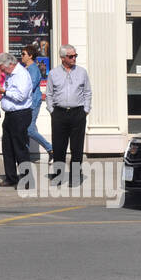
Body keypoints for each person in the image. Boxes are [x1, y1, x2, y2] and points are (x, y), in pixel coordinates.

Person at [44, 44, 92, 186]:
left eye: (75, 55)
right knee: (59, 146)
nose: (74, 58)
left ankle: (75, 177)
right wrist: (52, 110)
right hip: (59, 113)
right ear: (62, 58)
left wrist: (86, 110)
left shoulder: (82, 72)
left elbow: (87, 92)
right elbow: (49, 94)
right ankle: (58, 175)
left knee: (77, 147)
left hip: (78, 112)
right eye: (71, 56)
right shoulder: (53, 73)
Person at [0, 52, 33, 185]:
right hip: (10, 115)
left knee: (20, 148)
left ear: (10, 64)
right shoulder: (9, 75)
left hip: (20, 114)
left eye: (2, 68)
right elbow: (8, 90)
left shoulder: (21, 74)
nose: (1, 71)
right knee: (8, 147)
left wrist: (4, 92)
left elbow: (21, 96)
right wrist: (1, 88)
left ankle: (27, 180)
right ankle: (11, 177)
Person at [20, 44, 52, 160]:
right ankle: (25, 155)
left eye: (23, 54)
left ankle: (50, 148)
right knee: (25, 129)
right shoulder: (26, 68)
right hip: (26, 103)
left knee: (29, 129)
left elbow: (31, 85)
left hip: (33, 102)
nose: (21, 56)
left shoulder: (33, 68)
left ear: (30, 56)